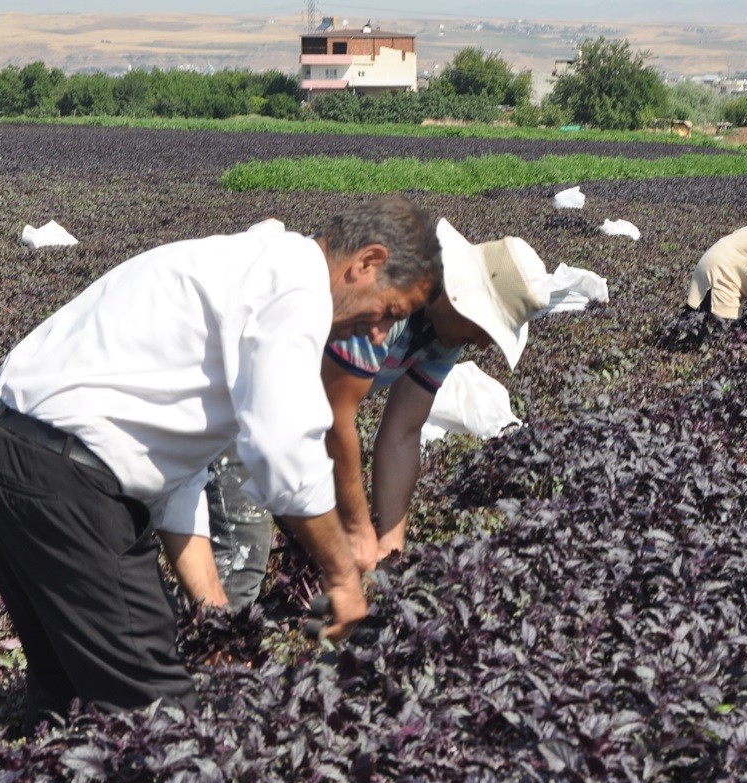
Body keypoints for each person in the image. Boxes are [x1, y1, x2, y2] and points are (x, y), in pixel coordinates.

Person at [0, 197, 443, 728]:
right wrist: (342, 575)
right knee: (159, 719)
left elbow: (176, 480)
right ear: (367, 262)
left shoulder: (250, 269)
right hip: (61, 478)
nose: (378, 335)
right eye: (390, 313)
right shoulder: (296, 291)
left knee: (68, 698)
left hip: (0, 456)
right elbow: (284, 452)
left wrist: (214, 614)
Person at [186, 218, 552, 607]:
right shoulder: (386, 296)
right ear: (463, 297)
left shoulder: (447, 332)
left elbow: (403, 434)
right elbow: (333, 418)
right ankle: (213, 657)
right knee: (242, 555)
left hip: (289, 416)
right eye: (486, 329)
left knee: (323, 553)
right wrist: (360, 531)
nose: (481, 344)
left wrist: (389, 544)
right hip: (234, 394)